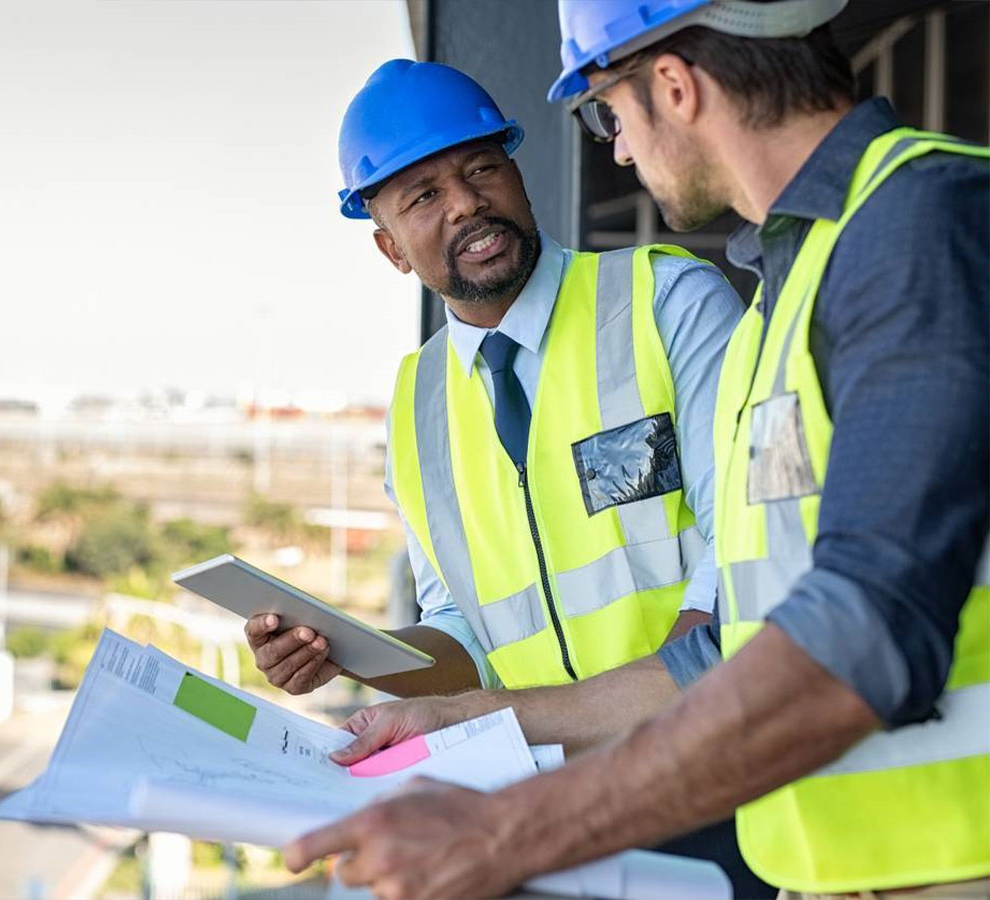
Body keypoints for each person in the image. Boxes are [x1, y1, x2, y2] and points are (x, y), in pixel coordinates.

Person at [283, 1, 990, 897]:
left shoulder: (917, 224)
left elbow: (862, 630)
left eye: (606, 112)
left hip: (949, 858)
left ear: (674, 86)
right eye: (423, 195)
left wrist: (510, 831)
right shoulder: (796, 285)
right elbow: (731, 645)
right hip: (824, 857)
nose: (615, 148)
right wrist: (454, 712)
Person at [245, 59, 742, 705]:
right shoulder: (417, 404)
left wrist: (654, 722)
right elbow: (466, 637)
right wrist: (347, 655)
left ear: (517, 176)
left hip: (710, 736)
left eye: (482, 168)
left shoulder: (665, 302)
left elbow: (746, 539)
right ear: (392, 250)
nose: (467, 203)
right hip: (551, 777)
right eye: (423, 195)